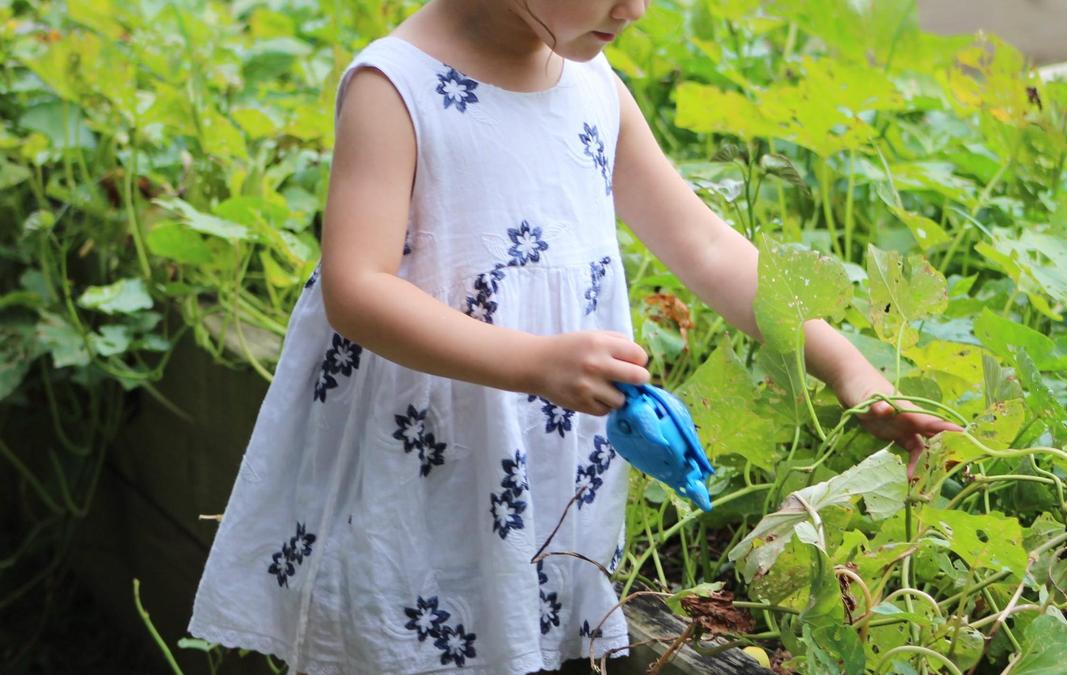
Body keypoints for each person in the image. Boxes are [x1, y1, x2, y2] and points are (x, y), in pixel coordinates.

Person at [186, 0, 961, 673]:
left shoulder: (593, 89)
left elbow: (710, 249)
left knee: (531, 632)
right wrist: (534, 361)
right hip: (423, 469)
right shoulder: (397, 89)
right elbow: (357, 289)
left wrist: (849, 369)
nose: (636, 9)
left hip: (543, 472)